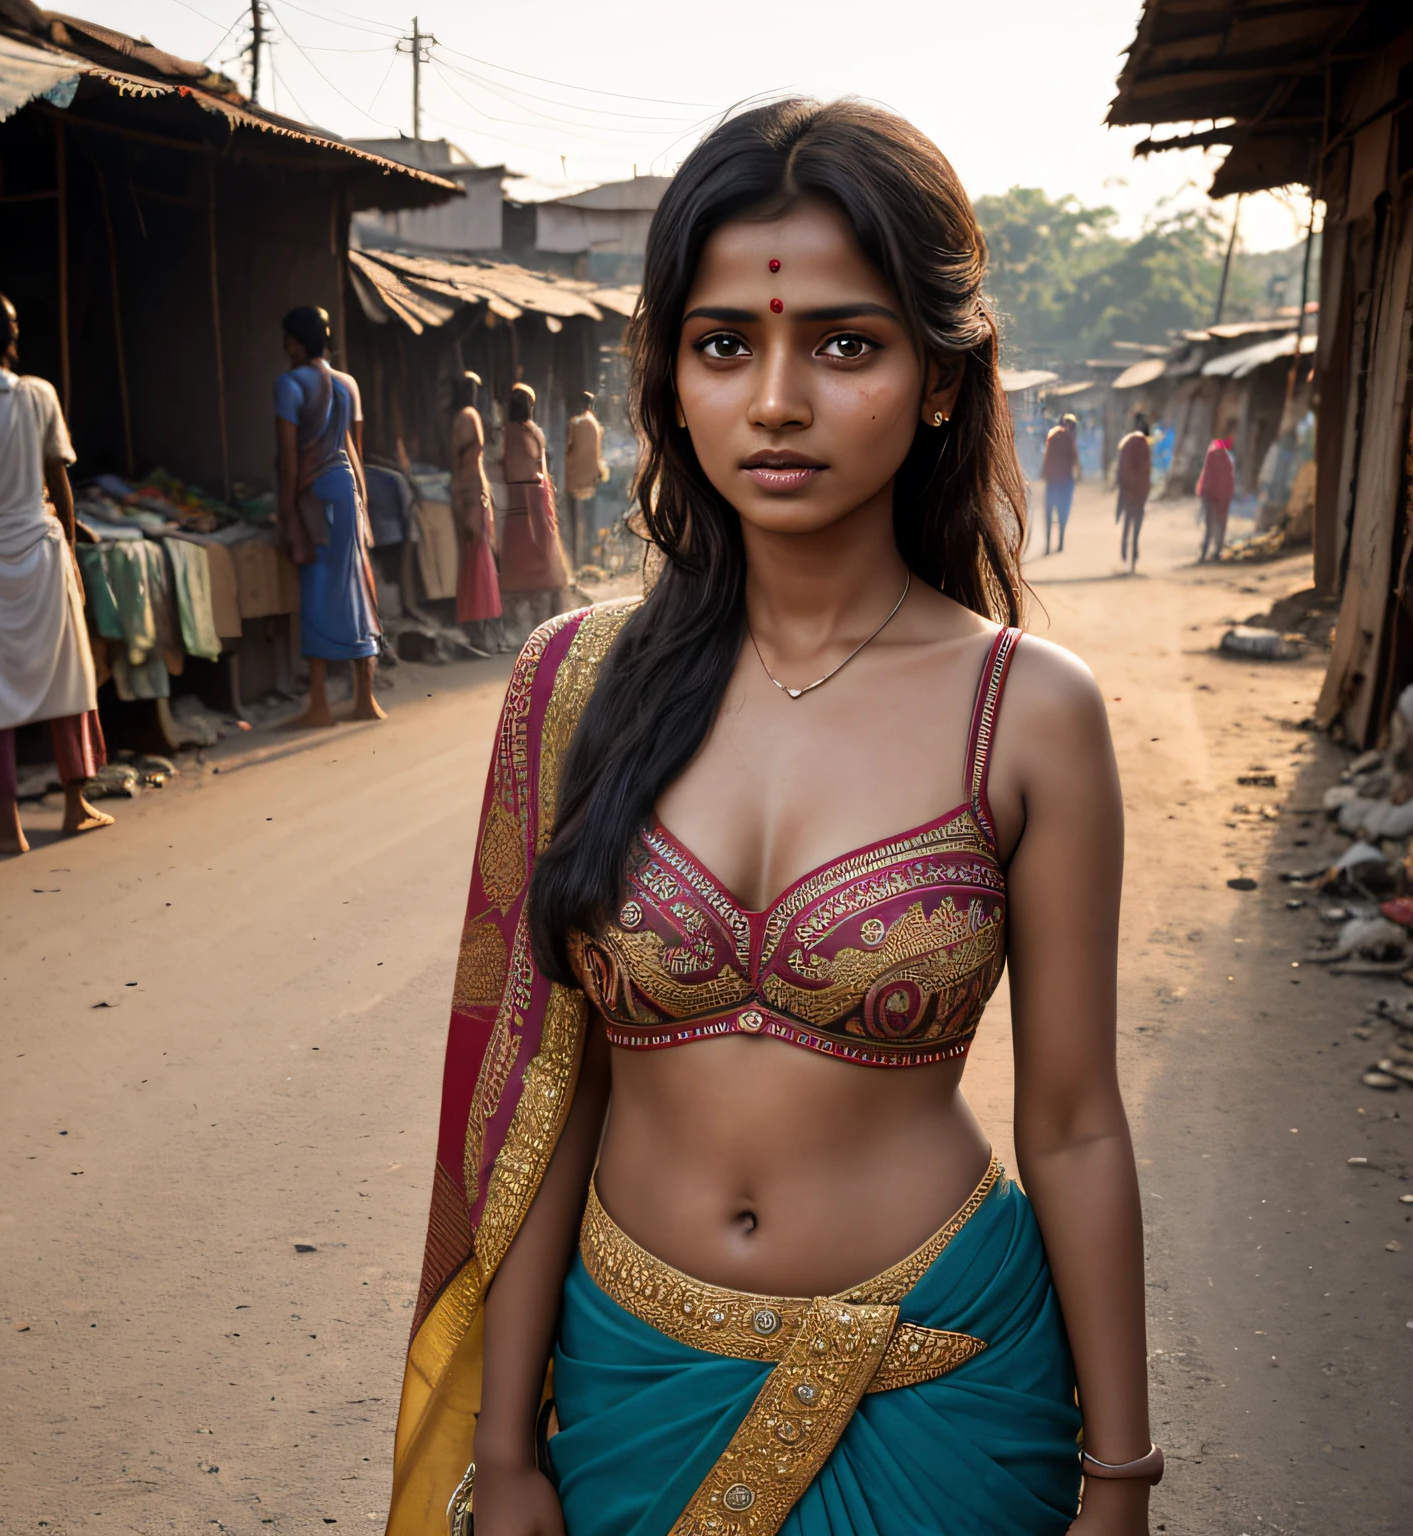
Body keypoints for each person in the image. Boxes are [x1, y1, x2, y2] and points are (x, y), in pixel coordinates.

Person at [386, 100, 1155, 1536]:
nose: (778, 399)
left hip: (943, 1382)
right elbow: (549, 1098)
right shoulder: (576, 686)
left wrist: (1120, 1479)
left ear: (938, 379)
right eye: (726, 342)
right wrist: (505, 1448)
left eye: (844, 344)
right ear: (675, 378)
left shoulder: (1029, 710)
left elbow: (1073, 1124)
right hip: (627, 1379)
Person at [0, 290, 111, 855]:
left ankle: (8, 824)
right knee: (68, 680)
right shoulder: (41, 394)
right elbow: (59, 480)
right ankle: (75, 805)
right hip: (44, 552)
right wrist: (72, 549)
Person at [274, 305, 384, 728]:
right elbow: (354, 446)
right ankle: (364, 699)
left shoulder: (289, 385)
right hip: (348, 490)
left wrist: (286, 515)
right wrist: (363, 504)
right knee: (356, 587)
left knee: (317, 590)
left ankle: (319, 704)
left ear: (296, 341)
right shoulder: (348, 383)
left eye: (287, 338)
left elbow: (288, 460)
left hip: (314, 494)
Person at [498, 382, 569, 635]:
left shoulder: (516, 433)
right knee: (534, 552)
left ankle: (542, 623)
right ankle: (533, 624)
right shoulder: (522, 432)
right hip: (526, 498)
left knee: (537, 552)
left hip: (527, 498)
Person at [451, 371, 503, 653]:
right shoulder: (469, 416)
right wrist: (472, 497)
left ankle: (478, 631)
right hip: (472, 494)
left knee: (474, 561)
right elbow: (467, 462)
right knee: (479, 562)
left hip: (469, 493)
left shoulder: (461, 418)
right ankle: (480, 632)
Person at [563, 391, 608, 566]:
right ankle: (588, 559)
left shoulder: (575, 423)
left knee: (574, 521)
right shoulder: (596, 425)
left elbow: (569, 450)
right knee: (588, 521)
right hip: (591, 478)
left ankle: (575, 560)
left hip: (574, 478)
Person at [1115, 413, 1152, 571]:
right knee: (1136, 525)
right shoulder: (1144, 445)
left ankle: (1124, 553)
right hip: (1139, 492)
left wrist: (1123, 488)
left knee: (1127, 522)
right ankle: (1133, 556)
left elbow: (1121, 470)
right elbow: (1146, 470)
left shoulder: (1126, 443)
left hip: (1128, 491)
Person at [1041, 412, 1079, 555]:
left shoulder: (1052, 435)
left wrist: (1044, 474)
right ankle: (1060, 543)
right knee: (1063, 511)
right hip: (1065, 481)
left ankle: (1047, 546)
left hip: (1052, 480)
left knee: (1049, 513)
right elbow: (1074, 459)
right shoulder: (1069, 438)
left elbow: (1047, 457)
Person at [1196, 427, 1236, 562]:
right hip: (1219, 497)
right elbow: (1228, 481)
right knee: (1219, 524)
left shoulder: (1213, 455)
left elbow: (1206, 477)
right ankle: (1216, 552)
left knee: (1210, 526)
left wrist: (1203, 493)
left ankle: (1205, 553)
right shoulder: (1226, 458)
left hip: (1211, 495)